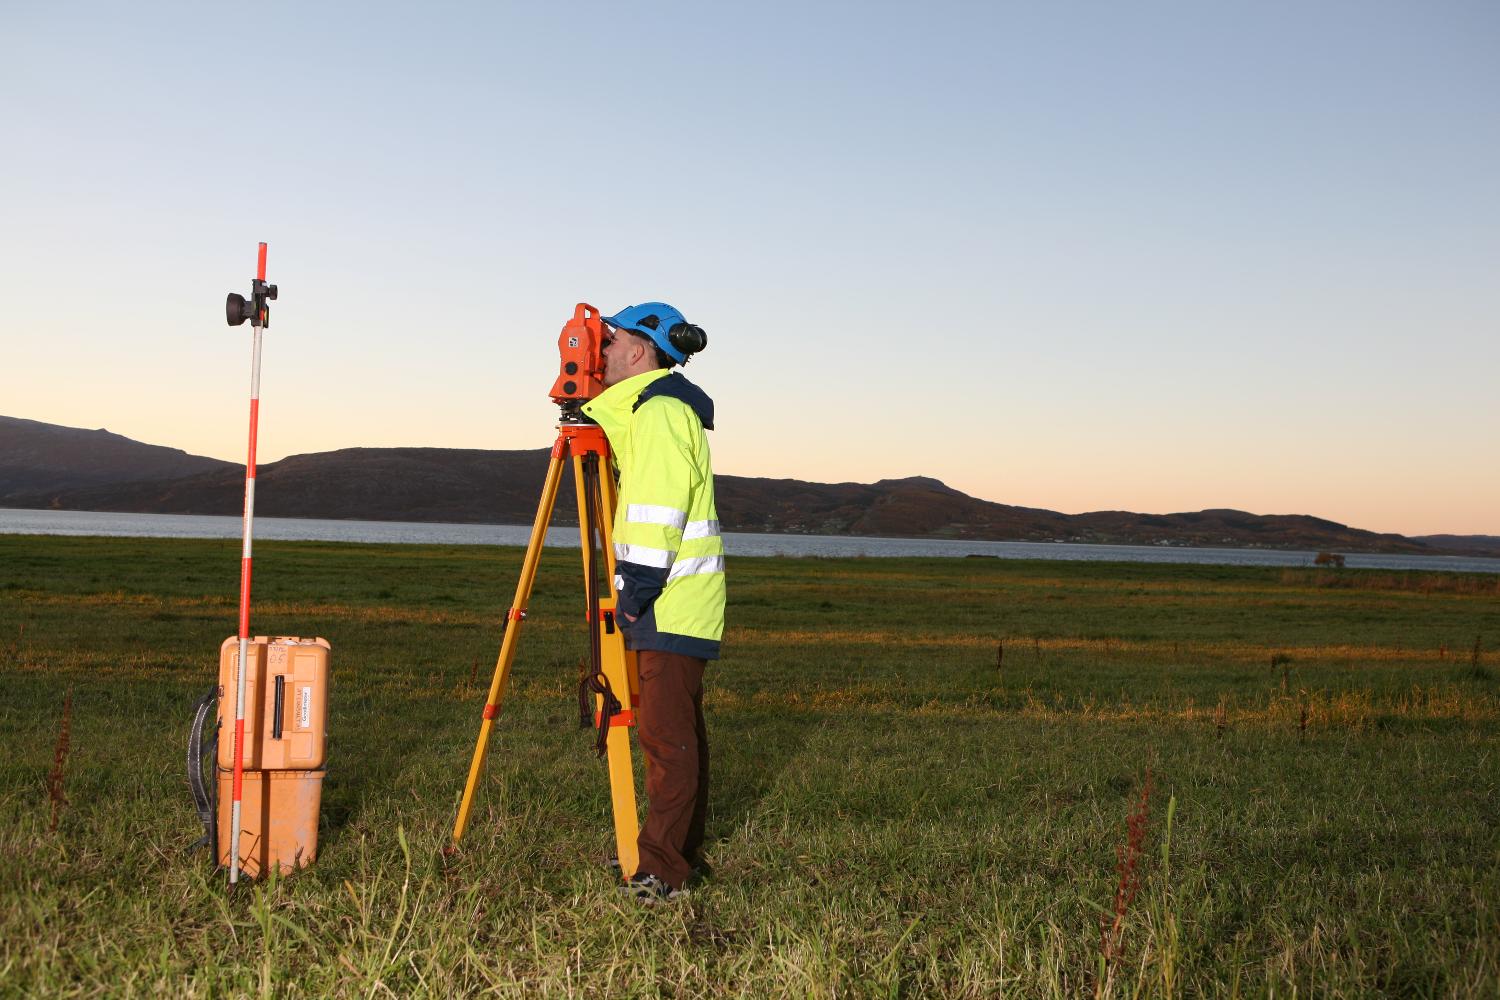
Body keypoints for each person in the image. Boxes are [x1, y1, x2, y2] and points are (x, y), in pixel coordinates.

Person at [580, 301, 724, 903]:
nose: (601, 352)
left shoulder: (661, 412)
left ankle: (662, 870)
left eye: (611, 342)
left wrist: (634, 589)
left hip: (669, 598)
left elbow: (657, 509)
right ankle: (671, 849)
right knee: (678, 732)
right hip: (676, 599)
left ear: (640, 352)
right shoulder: (651, 411)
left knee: (667, 739)